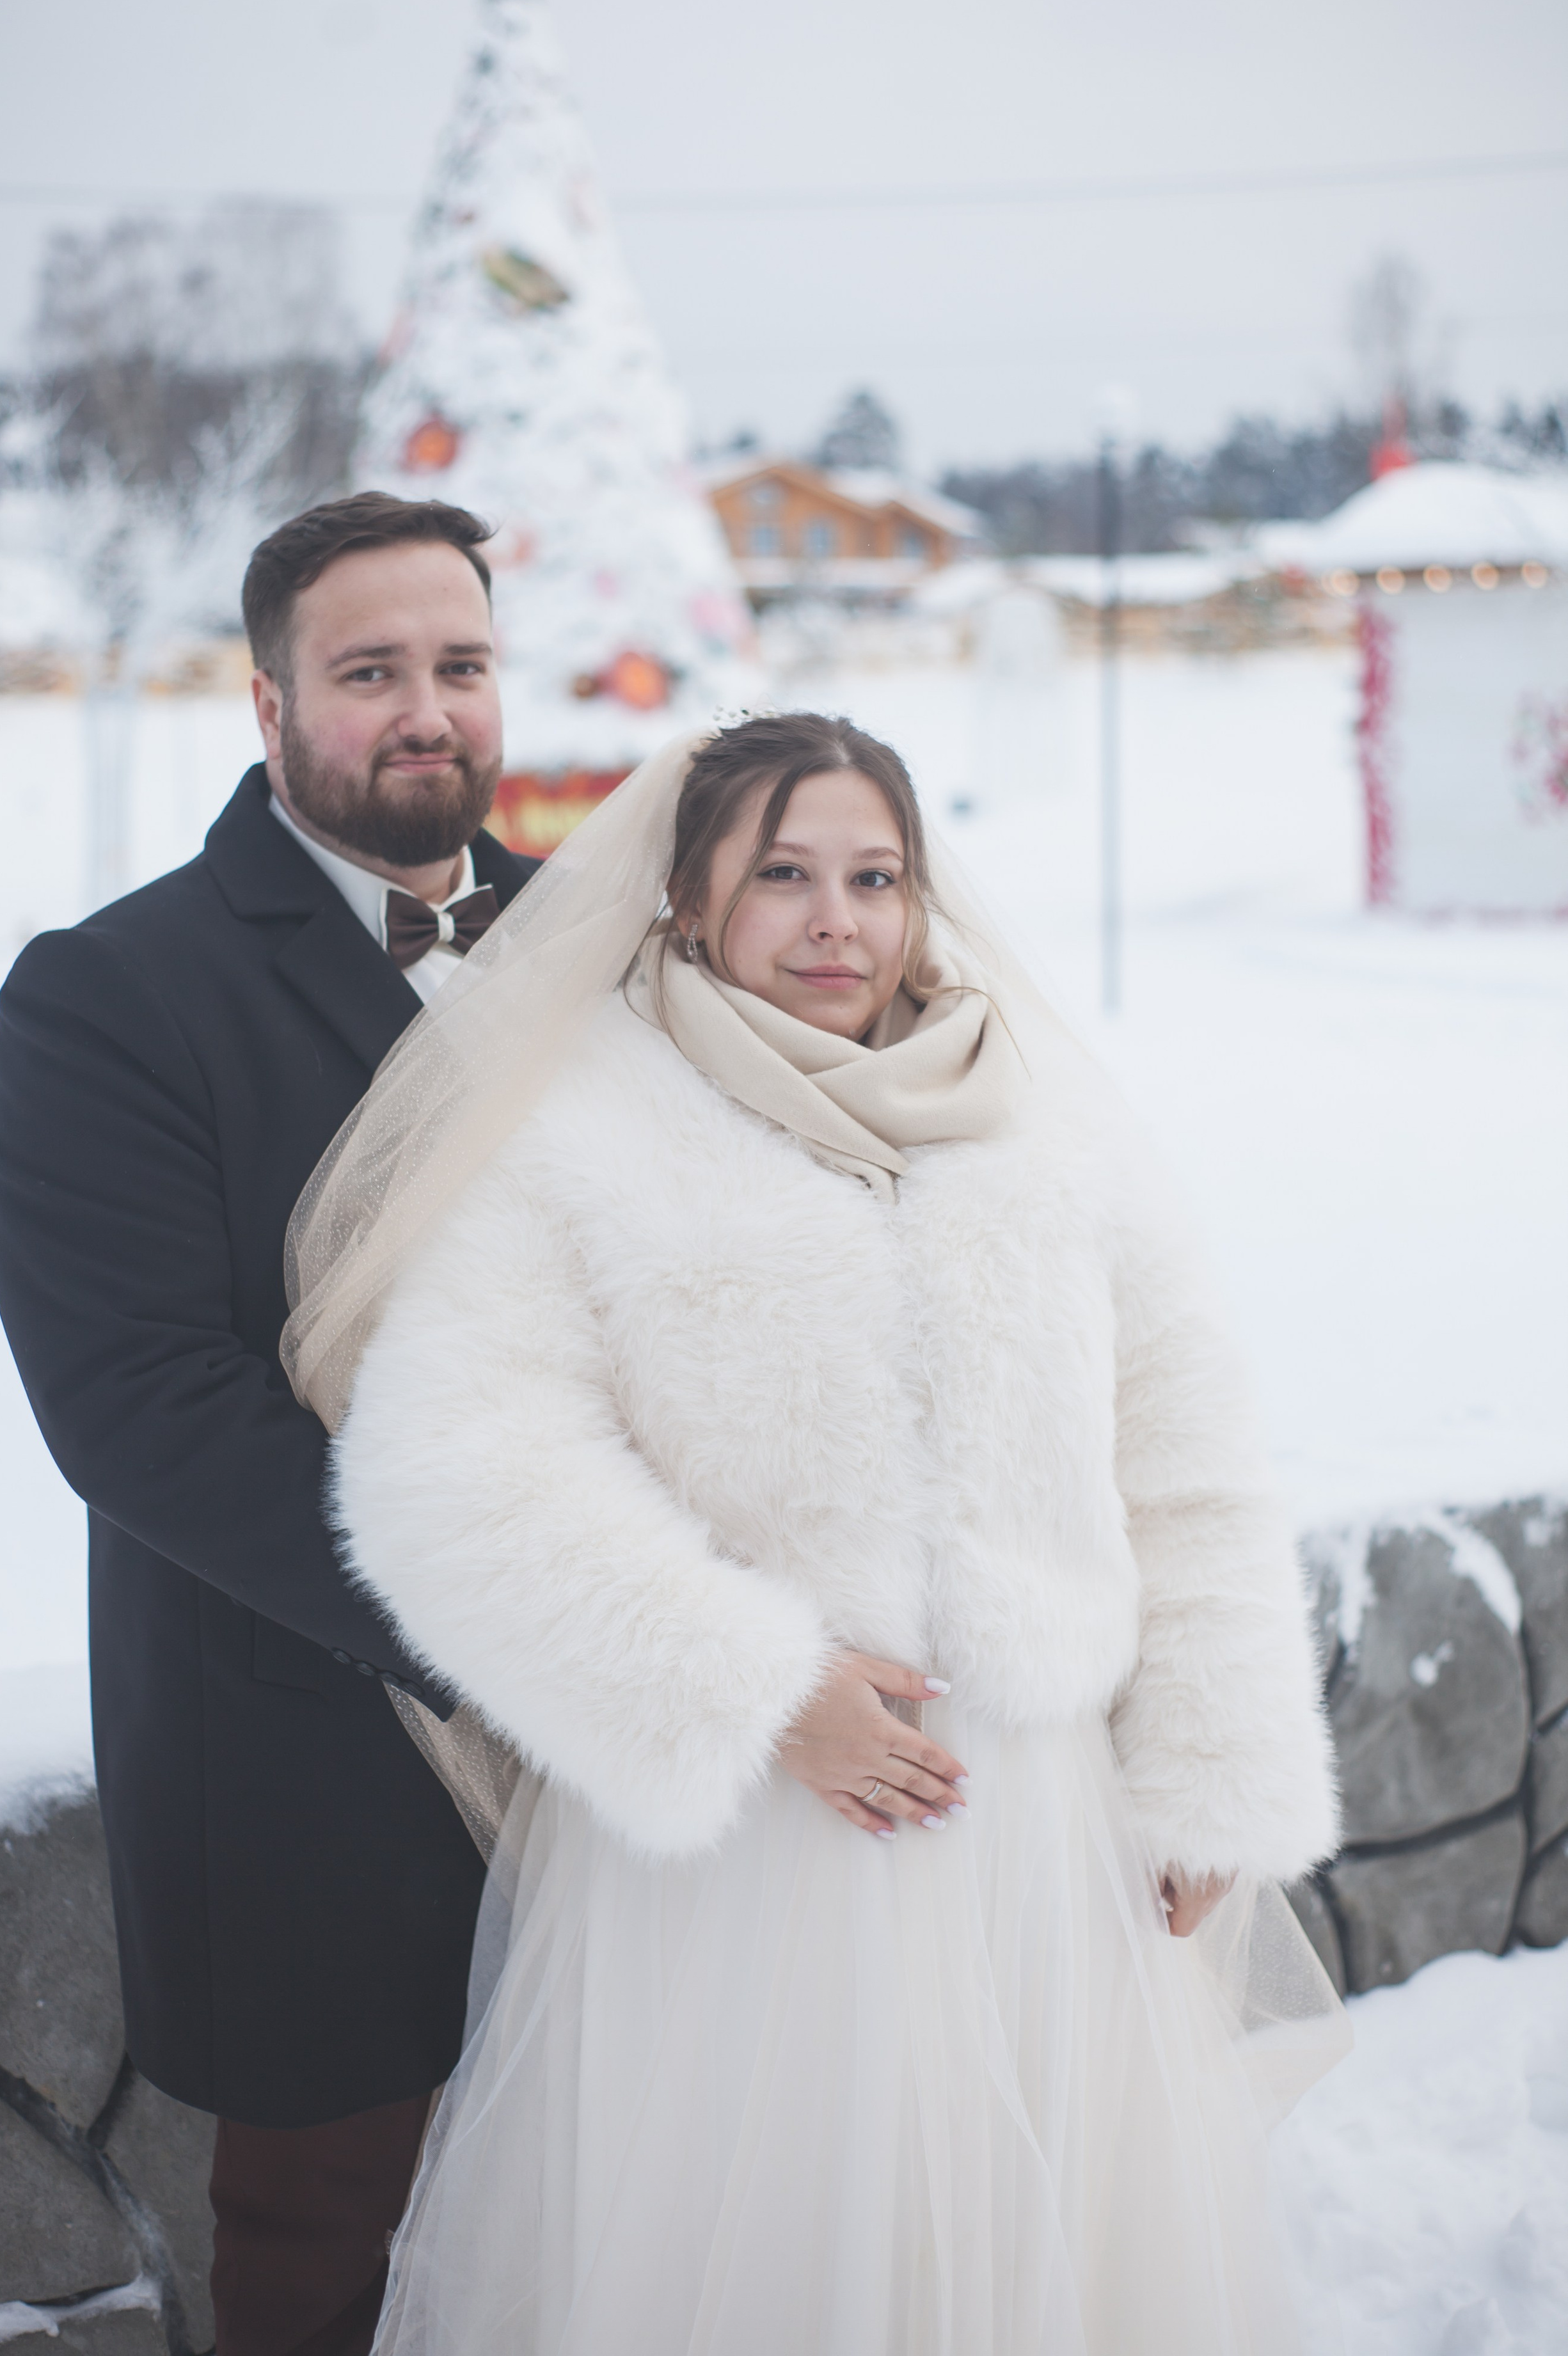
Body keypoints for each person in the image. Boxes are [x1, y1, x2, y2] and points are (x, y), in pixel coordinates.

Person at [282, 712, 1347, 2356]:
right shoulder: (582, 1131)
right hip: (754, 1863)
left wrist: (1211, 1766)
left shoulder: (1039, 1125)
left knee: (1037, 2267)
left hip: (1042, 1842)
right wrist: (762, 1692)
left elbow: (1184, 1462)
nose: (835, 920)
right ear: (686, 901)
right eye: (780, 875)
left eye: (875, 876)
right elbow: (459, 1470)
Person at [0, 493, 539, 2356]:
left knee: (611, 2203)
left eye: (459, 666)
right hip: (307, 1748)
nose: (426, 712)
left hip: (638, 1747)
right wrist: (520, 1623)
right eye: (370, 672)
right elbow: (141, 1410)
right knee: (328, 2260)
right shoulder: (114, 993)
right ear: (271, 703)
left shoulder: (613, 951)